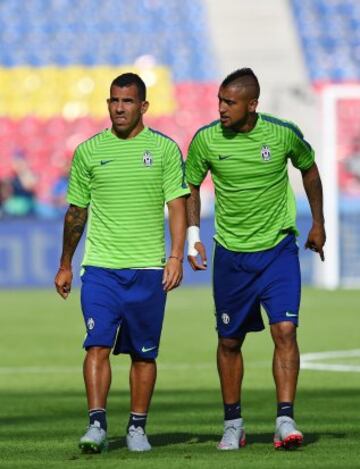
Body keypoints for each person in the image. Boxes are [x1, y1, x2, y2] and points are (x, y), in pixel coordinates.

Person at [185, 68, 326, 451]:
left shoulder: (282, 133)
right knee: (230, 341)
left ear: (252, 104)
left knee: (285, 332)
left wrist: (318, 222)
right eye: (219, 100)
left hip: (278, 251)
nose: (221, 108)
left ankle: (285, 419)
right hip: (231, 255)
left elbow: (309, 168)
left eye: (229, 102)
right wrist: (193, 236)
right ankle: (234, 424)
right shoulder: (206, 140)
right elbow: (191, 186)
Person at [54, 73, 189, 453]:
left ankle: (137, 429)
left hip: (148, 269)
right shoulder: (88, 151)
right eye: (114, 100)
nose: (119, 108)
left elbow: (177, 205)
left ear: (143, 106)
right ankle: (96, 425)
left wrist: (175, 256)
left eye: (127, 101)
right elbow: (76, 212)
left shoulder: (163, 149)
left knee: (143, 354)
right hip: (100, 269)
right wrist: (66, 263)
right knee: (96, 345)